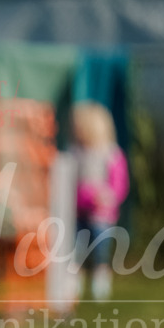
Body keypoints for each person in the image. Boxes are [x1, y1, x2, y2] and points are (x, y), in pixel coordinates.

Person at [71, 102, 129, 301]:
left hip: (102, 215)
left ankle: (101, 283)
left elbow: (119, 185)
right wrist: (87, 197)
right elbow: (70, 186)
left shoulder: (111, 155)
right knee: (75, 249)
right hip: (78, 214)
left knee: (100, 249)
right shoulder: (75, 154)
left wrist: (108, 198)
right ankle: (74, 284)